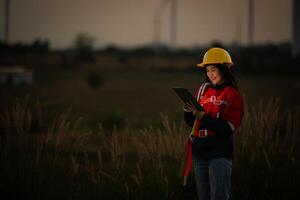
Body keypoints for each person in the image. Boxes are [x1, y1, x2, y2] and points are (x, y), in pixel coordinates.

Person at [182, 47, 244, 200]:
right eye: (208, 71)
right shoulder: (203, 90)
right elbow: (191, 122)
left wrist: (202, 116)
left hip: (219, 152)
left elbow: (227, 128)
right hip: (200, 151)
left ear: (224, 70)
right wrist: (188, 111)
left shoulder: (232, 94)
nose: (210, 75)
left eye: (214, 70)